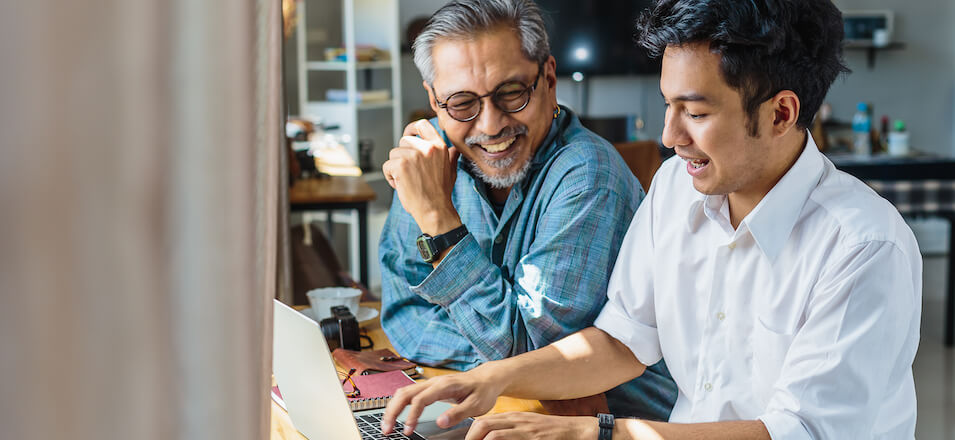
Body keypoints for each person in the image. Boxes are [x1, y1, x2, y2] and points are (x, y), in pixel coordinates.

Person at [381, 0, 922, 438]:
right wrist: (489, 379)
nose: (670, 136)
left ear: (781, 113)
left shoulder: (864, 245)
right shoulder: (675, 190)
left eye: (697, 113)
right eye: (668, 106)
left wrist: (600, 434)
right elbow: (621, 342)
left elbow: (796, 431)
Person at [378, 0, 676, 420]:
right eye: (462, 103)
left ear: (549, 79)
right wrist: (501, 366)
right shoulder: (427, 165)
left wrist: (438, 221)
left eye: (511, 93)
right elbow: (402, 314)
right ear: (434, 100)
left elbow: (530, 352)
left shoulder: (588, 173)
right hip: (501, 409)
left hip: (607, 425)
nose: (490, 125)